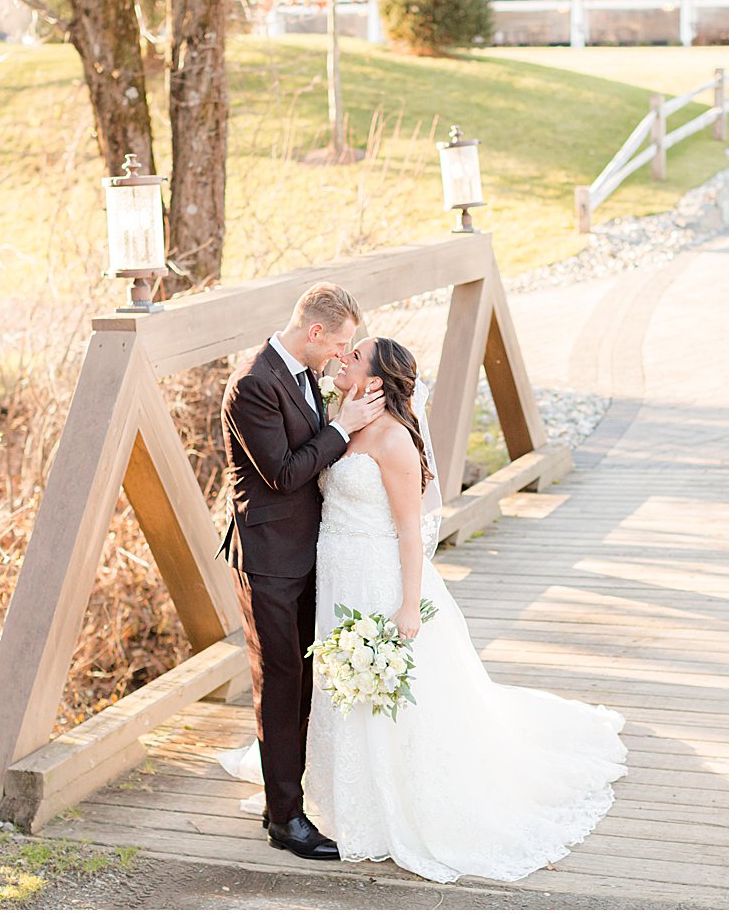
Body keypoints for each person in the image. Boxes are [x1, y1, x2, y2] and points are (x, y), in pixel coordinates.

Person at [224, 336, 627, 883]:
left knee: (389, 690)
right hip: (336, 573)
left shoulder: (393, 440)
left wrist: (409, 603)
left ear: (374, 379)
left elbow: (410, 531)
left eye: (355, 355)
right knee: (342, 686)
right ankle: (341, 792)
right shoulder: (340, 417)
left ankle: (401, 800)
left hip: (377, 575)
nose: (343, 359)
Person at [218, 283, 385, 860]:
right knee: (281, 683)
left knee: (307, 680)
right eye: (340, 343)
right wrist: (342, 427)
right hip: (267, 559)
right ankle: (284, 820)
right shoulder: (252, 384)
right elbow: (284, 474)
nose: (345, 354)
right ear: (314, 332)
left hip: (312, 550)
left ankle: (294, 798)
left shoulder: (302, 372)